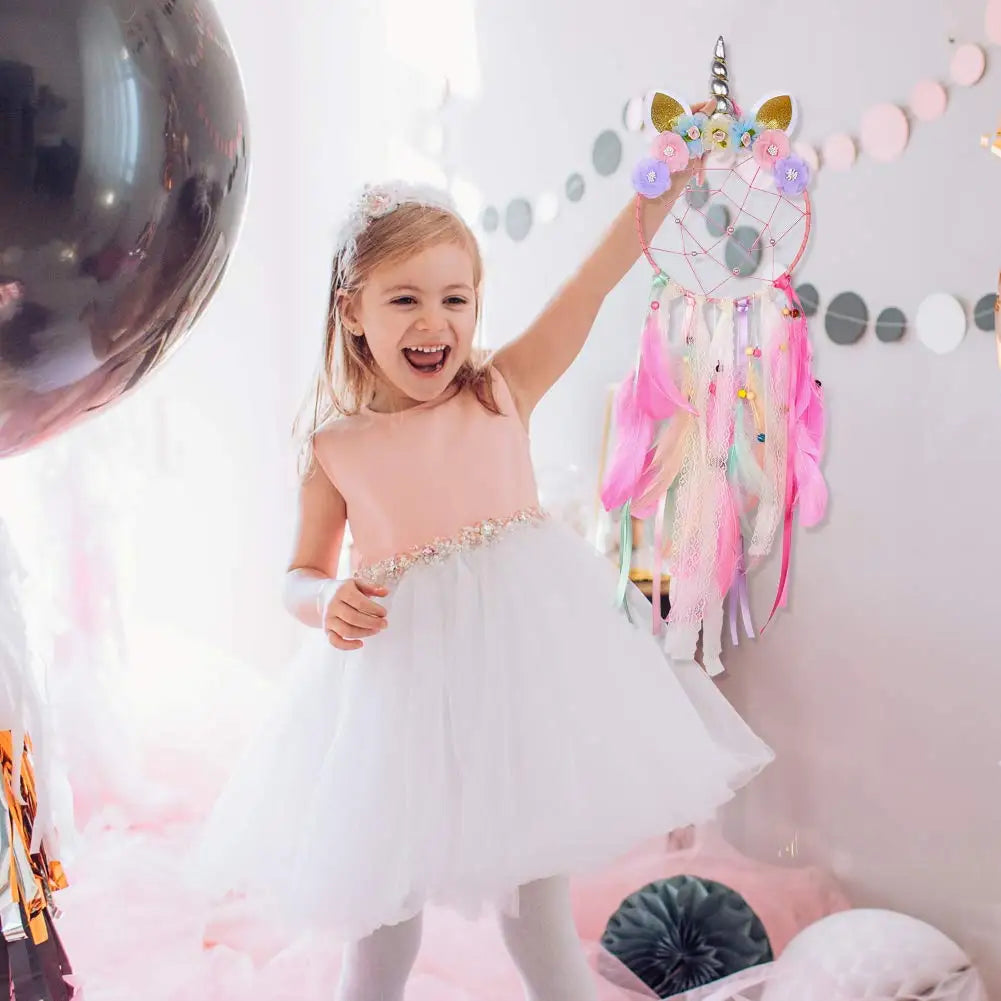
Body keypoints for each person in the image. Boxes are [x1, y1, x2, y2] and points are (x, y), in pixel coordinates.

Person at [192, 102, 773, 1001]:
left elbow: (591, 282)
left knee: (536, 918)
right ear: (352, 311)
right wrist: (323, 600)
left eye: (454, 298)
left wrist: (665, 182)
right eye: (405, 299)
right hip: (400, 699)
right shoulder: (334, 444)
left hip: (519, 688)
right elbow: (298, 571)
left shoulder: (501, 388)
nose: (435, 323)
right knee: (384, 926)